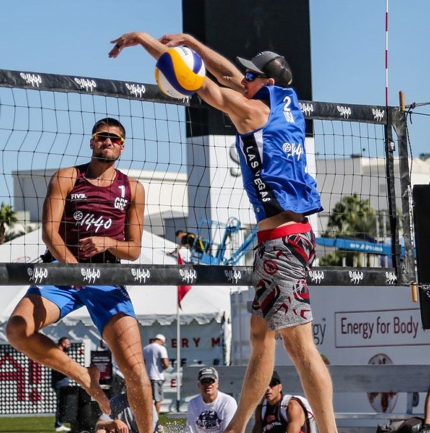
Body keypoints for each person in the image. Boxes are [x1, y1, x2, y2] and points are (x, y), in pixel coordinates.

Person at [109, 33, 334, 433]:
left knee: (300, 348)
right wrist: (194, 43)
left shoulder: (250, 113)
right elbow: (229, 73)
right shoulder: (288, 101)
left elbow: (199, 82)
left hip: (283, 239)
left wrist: (146, 41)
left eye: (250, 74)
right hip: (283, 238)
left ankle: (330, 430)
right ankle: (236, 428)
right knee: (261, 338)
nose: (241, 77)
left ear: (262, 80)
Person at [6, 117, 154, 433]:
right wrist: (74, 267)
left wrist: (107, 242)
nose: (108, 142)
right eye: (103, 137)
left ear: (122, 146)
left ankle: (148, 430)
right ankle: (86, 377)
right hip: (63, 271)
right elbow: (49, 233)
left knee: (136, 371)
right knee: (17, 330)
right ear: (92, 141)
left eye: (115, 139)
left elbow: (134, 249)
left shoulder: (133, 188)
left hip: (106, 276)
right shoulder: (68, 177)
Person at [186, 367, 238, 433]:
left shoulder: (228, 402)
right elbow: (191, 430)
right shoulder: (192, 403)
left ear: (217, 384)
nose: (208, 385)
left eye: (211, 381)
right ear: (199, 385)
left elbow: (229, 430)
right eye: (204, 381)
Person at [142, 334, 170, 414]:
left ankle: (148, 415)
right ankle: (156, 417)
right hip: (157, 376)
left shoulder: (145, 348)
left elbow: (143, 363)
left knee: (148, 399)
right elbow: (166, 364)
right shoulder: (161, 348)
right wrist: (163, 368)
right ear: (162, 341)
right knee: (158, 399)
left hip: (147, 377)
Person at [52, 337, 72, 432]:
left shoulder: (61, 353)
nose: (69, 345)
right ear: (63, 344)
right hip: (60, 382)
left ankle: (60, 423)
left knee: (63, 404)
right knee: (61, 404)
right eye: (68, 343)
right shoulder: (58, 354)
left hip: (62, 382)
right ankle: (59, 424)